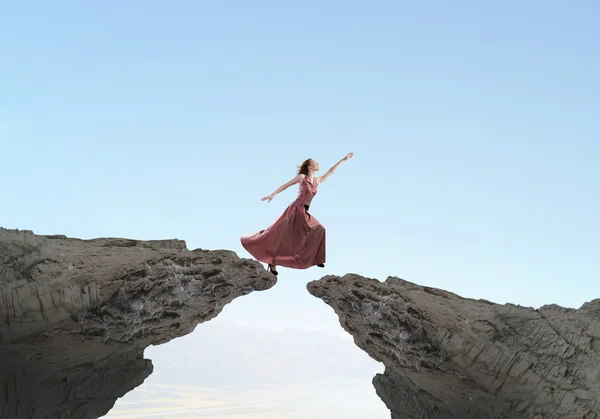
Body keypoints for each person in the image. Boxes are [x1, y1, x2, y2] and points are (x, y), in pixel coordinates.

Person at [240, 152, 354, 276]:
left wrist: (343, 159)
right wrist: (272, 195)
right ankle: (272, 261)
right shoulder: (301, 177)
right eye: (315, 162)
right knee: (279, 235)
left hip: (304, 211)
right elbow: (286, 185)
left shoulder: (317, 181)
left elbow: (331, 171)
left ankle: (316, 258)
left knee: (320, 229)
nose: (318, 164)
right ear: (309, 166)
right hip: (294, 209)